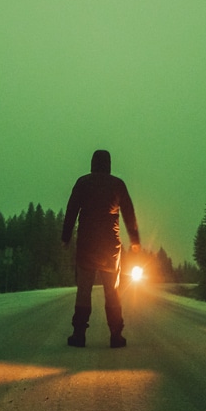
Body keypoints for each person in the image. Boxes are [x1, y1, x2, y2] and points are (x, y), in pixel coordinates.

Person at [61, 149, 140, 348]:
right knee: (112, 291)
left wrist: (66, 237)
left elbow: (71, 210)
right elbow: (129, 213)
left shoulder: (83, 182)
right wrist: (135, 240)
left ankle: (79, 335)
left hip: (87, 244)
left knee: (84, 290)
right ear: (109, 164)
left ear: (92, 163)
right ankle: (116, 335)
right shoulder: (118, 184)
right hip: (110, 246)